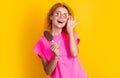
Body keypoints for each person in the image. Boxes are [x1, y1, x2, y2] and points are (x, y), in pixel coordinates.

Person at [33, 2, 87, 78]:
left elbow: (74, 53)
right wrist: (55, 56)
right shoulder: (41, 42)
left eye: (65, 15)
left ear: (67, 20)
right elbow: (48, 71)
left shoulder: (71, 34)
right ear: (51, 17)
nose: (61, 17)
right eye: (58, 13)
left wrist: (70, 31)